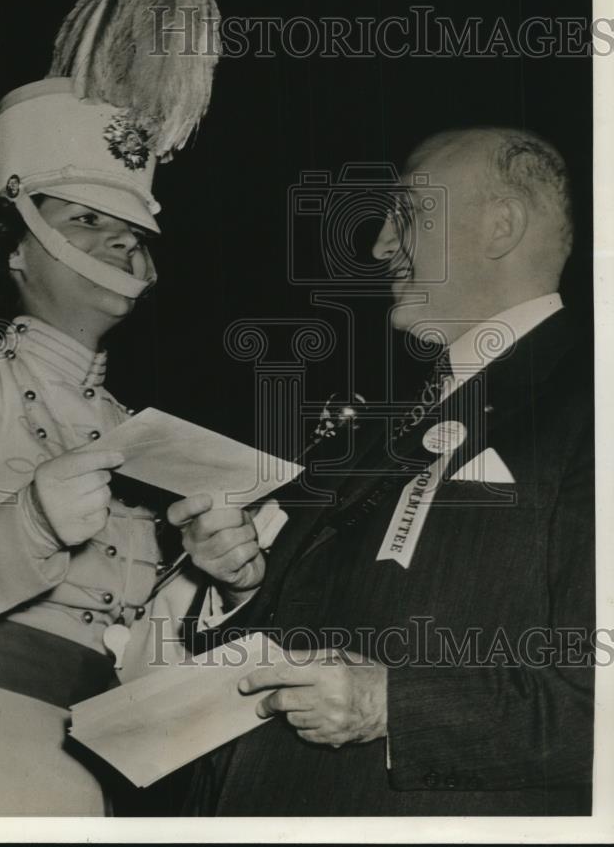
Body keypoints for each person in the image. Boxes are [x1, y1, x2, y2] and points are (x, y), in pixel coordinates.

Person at [167, 126, 595, 816]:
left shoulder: (590, 397)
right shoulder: (381, 420)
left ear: (501, 226)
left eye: (406, 214)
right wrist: (239, 582)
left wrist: (386, 703)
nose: (379, 245)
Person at [0, 0, 230, 817]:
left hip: (96, 768)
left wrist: (208, 577)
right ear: (18, 247)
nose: (121, 243)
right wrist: (34, 519)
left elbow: (138, 654)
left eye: (131, 230)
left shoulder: (137, 424)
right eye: (85, 220)